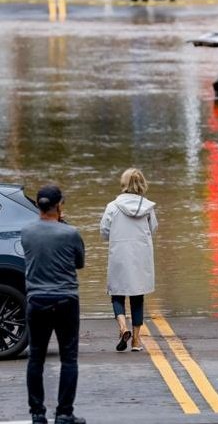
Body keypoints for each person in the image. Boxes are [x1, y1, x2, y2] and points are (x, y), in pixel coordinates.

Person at [21, 185, 85, 424]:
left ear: (38, 205)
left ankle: (38, 414)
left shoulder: (26, 232)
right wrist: (63, 223)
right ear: (59, 205)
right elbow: (79, 262)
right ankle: (64, 413)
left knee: (36, 358)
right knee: (68, 358)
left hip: (37, 300)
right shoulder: (70, 233)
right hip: (66, 299)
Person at [100, 168, 158, 352]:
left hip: (119, 253)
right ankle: (136, 341)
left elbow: (104, 232)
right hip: (140, 255)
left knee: (117, 294)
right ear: (142, 184)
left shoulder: (113, 206)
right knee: (137, 296)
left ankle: (123, 327)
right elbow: (153, 229)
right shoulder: (148, 208)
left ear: (123, 183)